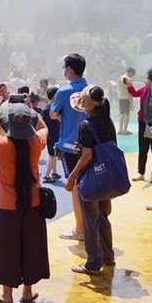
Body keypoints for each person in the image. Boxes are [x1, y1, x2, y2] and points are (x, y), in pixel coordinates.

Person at [0, 101, 50, 303]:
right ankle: (27, 292)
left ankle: (6, 295)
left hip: (6, 205)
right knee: (30, 245)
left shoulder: (1, 144)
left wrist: (0, 117)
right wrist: (30, 110)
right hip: (33, 203)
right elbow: (44, 127)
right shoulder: (36, 142)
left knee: (7, 248)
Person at [57, 85, 116, 275]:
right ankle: (108, 256)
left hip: (91, 179)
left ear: (88, 105)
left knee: (90, 221)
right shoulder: (108, 122)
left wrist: (72, 177)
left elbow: (87, 156)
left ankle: (92, 263)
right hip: (106, 175)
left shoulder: (86, 125)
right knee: (104, 217)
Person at [50, 53, 89, 240]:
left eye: (65, 68)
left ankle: (80, 229)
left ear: (70, 70)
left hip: (69, 145)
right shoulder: (91, 90)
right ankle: (89, 226)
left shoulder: (64, 92)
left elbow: (52, 113)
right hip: (89, 147)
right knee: (88, 186)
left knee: (74, 187)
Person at [125, 69, 152, 184]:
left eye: (148, 79)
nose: (146, 81)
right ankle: (141, 172)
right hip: (143, 122)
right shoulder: (144, 89)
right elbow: (134, 93)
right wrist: (129, 86)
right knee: (142, 148)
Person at [117, 67, 136, 134]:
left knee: (122, 114)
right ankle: (125, 130)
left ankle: (120, 129)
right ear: (130, 73)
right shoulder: (128, 79)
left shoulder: (120, 78)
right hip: (126, 98)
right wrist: (132, 101)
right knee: (127, 115)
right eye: (132, 74)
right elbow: (130, 90)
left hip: (120, 98)